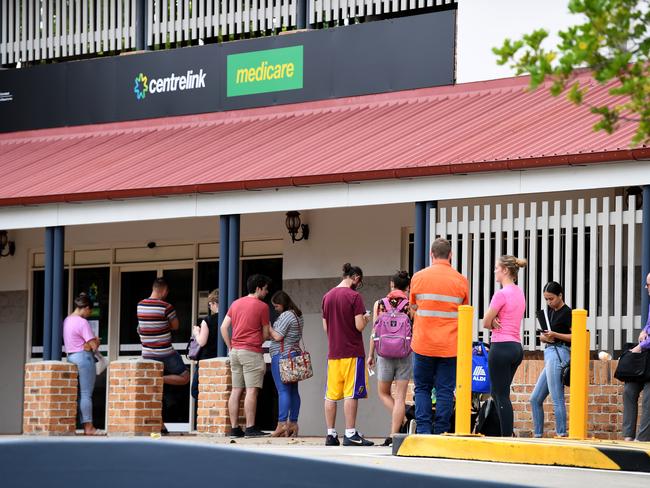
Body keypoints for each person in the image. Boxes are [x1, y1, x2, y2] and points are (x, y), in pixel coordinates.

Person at [410, 238, 469, 435]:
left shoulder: (418, 277)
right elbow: (464, 311)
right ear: (450, 255)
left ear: (431, 255)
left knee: (422, 388)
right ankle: (442, 431)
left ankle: (424, 430)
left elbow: (413, 307)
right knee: (445, 390)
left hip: (423, 344)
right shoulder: (461, 280)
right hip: (449, 346)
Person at [322, 263, 373, 446]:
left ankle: (331, 434)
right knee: (351, 393)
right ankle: (350, 433)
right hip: (352, 351)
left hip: (333, 353)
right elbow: (359, 325)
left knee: (331, 395)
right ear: (356, 278)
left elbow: (325, 327)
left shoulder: (327, 297)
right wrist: (366, 318)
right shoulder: (354, 296)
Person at [220, 274, 272, 438]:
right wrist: (257, 341)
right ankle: (250, 427)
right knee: (251, 391)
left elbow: (223, 327)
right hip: (251, 352)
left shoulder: (235, 303)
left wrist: (230, 346)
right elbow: (265, 333)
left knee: (236, 390)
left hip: (235, 352)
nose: (266, 292)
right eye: (265, 289)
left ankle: (234, 428)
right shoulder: (262, 307)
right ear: (258, 288)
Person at [482, 255, 527, 437]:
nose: (495, 271)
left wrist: (492, 322)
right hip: (516, 347)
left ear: (506, 270)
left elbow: (485, 322)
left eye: (496, 268)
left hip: (501, 346)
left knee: (501, 395)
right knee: (499, 392)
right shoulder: (519, 293)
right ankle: (502, 432)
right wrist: (494, 321)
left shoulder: (501, 294)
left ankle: (506, 436)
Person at [367, 270, 413, 447]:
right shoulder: (410, 305)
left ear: (391, 285)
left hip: (384, 354)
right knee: (400, 396)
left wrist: (371, 354)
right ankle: (394, 434)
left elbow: (374, 332)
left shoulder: (380, 304)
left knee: (384, 393)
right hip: (405, 353)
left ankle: (399, 420)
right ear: (408, 287)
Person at [530, 281, 572, 438]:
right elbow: (546, 336)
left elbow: (577, 336)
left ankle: (561, 434)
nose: (549, 302)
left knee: (556, 397)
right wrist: (545, 337)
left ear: (560, 295)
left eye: (551, 298)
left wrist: (555, 335)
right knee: (534, 399)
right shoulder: (549, 312)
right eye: (546, 299)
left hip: (560, 353)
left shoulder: (568, 312)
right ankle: (538, 435)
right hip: (549, 352)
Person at [137, 278, 190, 387]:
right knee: (185, 377)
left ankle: (153, 379)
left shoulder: (140, 305)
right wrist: (164, 324)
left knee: (150, 388)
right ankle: (158, 379)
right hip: (165, 353)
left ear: (153, 288)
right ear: (165, 290)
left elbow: (140, 327)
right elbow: (176, 326)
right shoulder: (166, 307)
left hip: (147, 353)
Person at [63, 293, 102, 435]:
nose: (89, 314)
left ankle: (80, 426)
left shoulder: (67, 320)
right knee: (86, 394)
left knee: (77, 394)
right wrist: (96, 340)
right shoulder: (82, 322)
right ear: (85, 308)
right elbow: (93, 346)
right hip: (84, 358)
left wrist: (88, 343)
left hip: (71, 357)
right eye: (89, 311)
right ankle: (89, 427)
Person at [268, 290, 304, 437]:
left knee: (283, 391)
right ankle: (293, 423)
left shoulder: (286, 315)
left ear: (282, 304)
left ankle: (282, 424)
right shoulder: (298, 315)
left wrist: (268, 326)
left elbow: (277, 336)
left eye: (276, 306)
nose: (275, 309)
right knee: (293, 391)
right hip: (294, 355)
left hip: (282, 356)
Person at [623, 272, 650, 442]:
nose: (646, 287)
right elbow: (648, 324)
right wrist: (643, 331)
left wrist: (640, 346)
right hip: (646, 357)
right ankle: (627, 436)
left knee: (648, 398)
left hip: (645, 351)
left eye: (649, 284)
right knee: (629, 391)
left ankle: (642, 438)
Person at [191, 289, 219, 400]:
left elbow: (202, 341)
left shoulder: (207, 320)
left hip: (206, 360)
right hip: (220, 357)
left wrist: (196, 332)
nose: (209, 307)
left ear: (214, 303)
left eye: (210, 304)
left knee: (196, 390)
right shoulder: (229, 319)